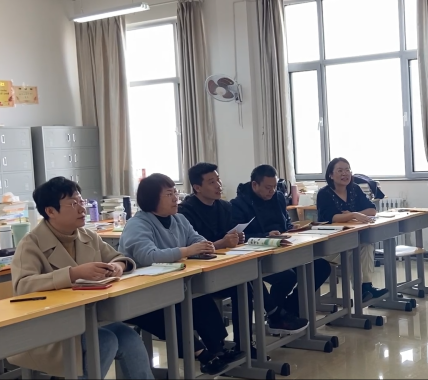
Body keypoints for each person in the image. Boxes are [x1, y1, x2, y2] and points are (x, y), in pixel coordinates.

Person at [8, 177, 154, 379]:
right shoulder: (31, 244)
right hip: (48, 327)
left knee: (129, 337)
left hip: (86, 320)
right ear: (50, 211)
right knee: (105, 341)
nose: (82, 208)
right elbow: (23, 286)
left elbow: (119, 257)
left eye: (81, 201)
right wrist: (72, 274)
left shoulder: (87, 235)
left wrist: (118, 266)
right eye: (73, 204)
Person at [119, 173, 245, 375]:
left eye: (175, 193)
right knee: (170, 310)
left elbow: (198, 240)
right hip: (141, 291)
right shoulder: (138, 223)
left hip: (171, 284)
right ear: (152, 199)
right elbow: (147, 256)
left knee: (199, 298)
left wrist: (205, 246)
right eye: (169, 194)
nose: (175, 198)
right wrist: (187, 251)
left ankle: (218, 348)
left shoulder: (179, 219)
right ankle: (202, 354)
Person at [180, 162, 308, 336]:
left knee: (248, 278)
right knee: (247, 280)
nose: (218, 185)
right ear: (197, 187)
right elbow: (193, 247)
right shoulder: (186, 212)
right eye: (212, 182)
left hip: (228, 263)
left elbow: (231, 236)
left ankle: (251, 338)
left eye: (218, 180)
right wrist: (222, 243)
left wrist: (238, 238)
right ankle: (273, 317)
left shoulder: (224, 207)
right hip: (201, 272)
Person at [230, 164, 331, 330]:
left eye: (275, 186)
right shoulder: (239, 204)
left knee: (321, 267)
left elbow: (285, 223)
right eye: (267, 187)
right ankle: (278, 317)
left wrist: (292, 228)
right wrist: (266, 236)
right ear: (255, 185)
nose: (272, 191)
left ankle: (287, 310)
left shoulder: (278, 197)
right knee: (287, 276)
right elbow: (239, 237)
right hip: (261, 255)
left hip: (285, 248)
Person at [316, 157, 388, 301]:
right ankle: (361, 291)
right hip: (330, 245)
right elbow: (332, 218)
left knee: (366, 244)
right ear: (331, 175)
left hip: (350, 240)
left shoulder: (354, 189)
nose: (345, 173)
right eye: (340, 170)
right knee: (354, 248)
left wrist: (350, 215)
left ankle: (366, 287)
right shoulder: (324, 194)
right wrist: (354, 214)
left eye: (347, 170)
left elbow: (372, 210)